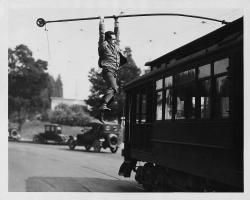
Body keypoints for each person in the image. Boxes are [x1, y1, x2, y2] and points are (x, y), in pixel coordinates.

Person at [98, 15, 127, 113]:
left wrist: (116, 21)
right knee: (114, 88)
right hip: (107, 70)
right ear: (108, 39)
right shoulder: (103, 46)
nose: (115, 41)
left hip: (114, 71)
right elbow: (101, 34)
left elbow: (117, 35)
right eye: (113, 39)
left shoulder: (116, 46)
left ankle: (100, 111)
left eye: (115, 39)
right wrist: (102, 22)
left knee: (114, 93)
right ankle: (103, 104)